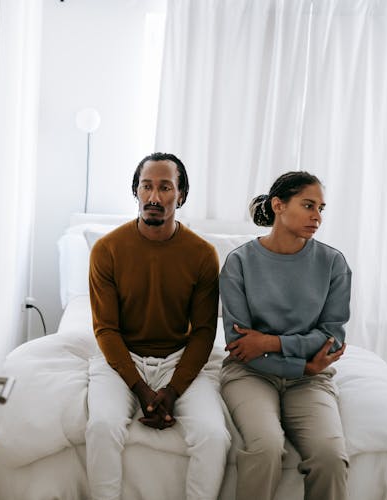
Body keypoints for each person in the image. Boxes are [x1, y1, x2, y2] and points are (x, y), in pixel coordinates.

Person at [87, 152, 230, 500]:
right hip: (122, 358)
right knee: (102, 427)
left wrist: (173, 390)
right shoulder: (107, 250)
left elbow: (203, 332)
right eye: (146, 186)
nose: (154, 197)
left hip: (179, 358)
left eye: (165, 187)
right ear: (135, 192)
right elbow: (106, 329)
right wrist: (141, 390)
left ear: (180, 196)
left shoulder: (202, 254)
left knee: (214, 436)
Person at [219, 171, 351, 500]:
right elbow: (239, 347)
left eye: (321, 208)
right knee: (265, 448)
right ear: (278, 205)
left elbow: (331, 338)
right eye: (308, 206)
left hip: (311, 379)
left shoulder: (333, 264)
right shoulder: (239, 263)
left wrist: (268, 342)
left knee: (330, 457)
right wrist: (301, 362)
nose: (317, 217)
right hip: (250, 375)